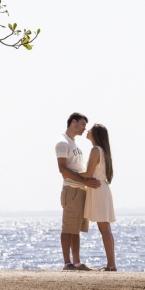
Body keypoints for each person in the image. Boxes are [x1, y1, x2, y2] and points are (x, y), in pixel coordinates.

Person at [56, 112, 101, 271]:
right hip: (72, 190)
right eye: (82, 124)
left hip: (81, 190)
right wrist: (84, 181)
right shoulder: (63, 143)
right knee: (68, 227)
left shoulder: (74, 144)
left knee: (75, 228)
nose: (84, 128)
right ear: (73, 122)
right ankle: (67, 263)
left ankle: (76, 262)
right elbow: (63, 169)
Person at [79, 124, 117, 271]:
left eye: (90, 130)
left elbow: (88, 174)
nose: (87, 131)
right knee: (105, 229)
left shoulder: (96, 150)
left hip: (98, 189)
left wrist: (71, 173)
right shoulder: (103, 151)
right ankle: (111, 264)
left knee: (104, 229)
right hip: (102, 188)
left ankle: (111, 265)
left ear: (96, 134)